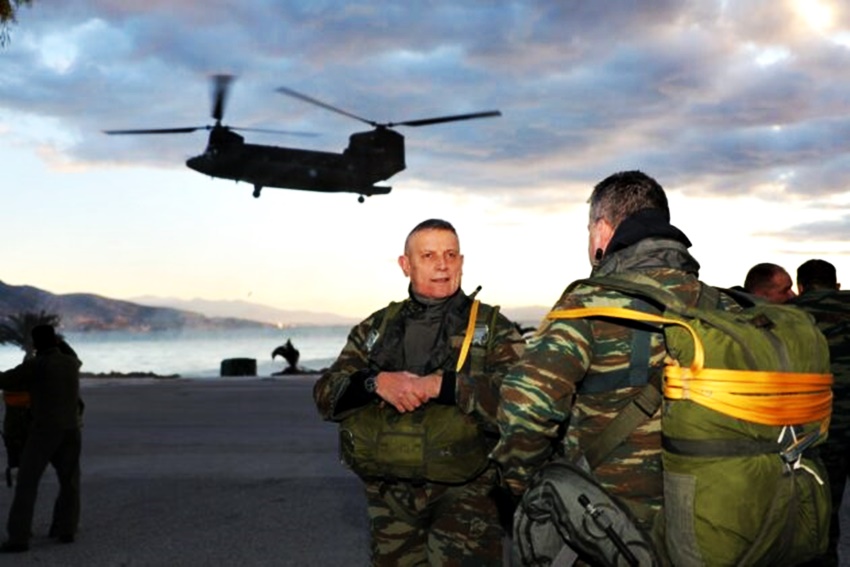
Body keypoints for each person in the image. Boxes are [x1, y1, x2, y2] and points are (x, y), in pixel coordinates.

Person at [492, 170, 743, 561]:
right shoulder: (723, 307)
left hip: (609, 532)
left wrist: (525, 485)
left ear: (602, 230)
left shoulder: (590, 304)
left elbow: (525, 405)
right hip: (712, 525)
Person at [314, 218, 524, 566]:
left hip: (467, 499)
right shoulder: (377, 328)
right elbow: (325, 395)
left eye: (451, 255)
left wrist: (445, 386)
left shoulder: (492, 329)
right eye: (428, 255)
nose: (442, 265)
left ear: (461, 262)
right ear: (405, 265)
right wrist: (375, 382)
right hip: (390, 501)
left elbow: (524, 399)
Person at [0, 325, 82, 553]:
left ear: (35, 344)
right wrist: (59, 343)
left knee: (27, 483)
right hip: (71, 430)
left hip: (43, 432)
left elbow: (5, 380)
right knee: (70, 482)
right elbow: (71, 353)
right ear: (55, 340)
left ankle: (19, 538)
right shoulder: (71, 363)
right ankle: (66, 529)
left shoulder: (36, 365)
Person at [790, 259, 850, 567]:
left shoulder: (791, 314)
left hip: (822, 427)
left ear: (800, 287)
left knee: (824, 503)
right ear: (836, 285)